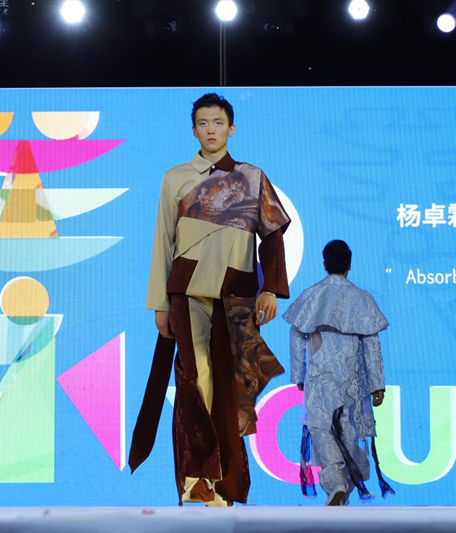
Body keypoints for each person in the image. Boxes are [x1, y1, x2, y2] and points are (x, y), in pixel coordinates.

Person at [129, 93, 291, 506]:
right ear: (194, 130)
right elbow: (162, 242)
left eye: (218, 122)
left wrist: (270, 289)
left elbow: (273, 235)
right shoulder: (175, 178)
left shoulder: (252, 177)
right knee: (195, 377)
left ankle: (224, 483)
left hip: (236, 296)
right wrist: (160, 303)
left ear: (231, 128)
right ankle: (198, 478)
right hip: (187, 292)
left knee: (231, 386)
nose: (211, 129)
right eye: (203, 123)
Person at [283, 240, 392, 506]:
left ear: (324, 264)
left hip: (320, 376)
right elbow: (371, 345)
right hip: (351, 379)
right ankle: (341, 487)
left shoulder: (312, 296)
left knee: (321, 429)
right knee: (348, 431)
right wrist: (377, 384)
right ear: (349, 265)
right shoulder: (361, 299)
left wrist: (298, 374)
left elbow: (297, 335)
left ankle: (336, 484)